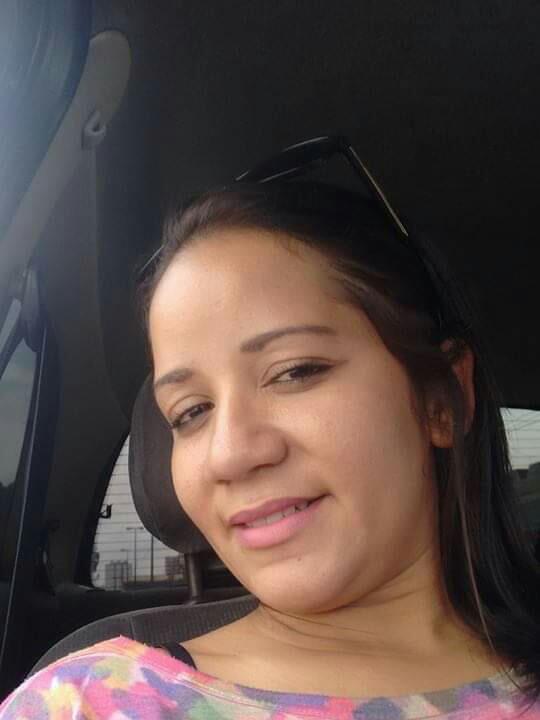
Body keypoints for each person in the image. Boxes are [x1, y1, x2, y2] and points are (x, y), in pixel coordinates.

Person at [1, 137, 539, 718]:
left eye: (295, 371)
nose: (231, 453)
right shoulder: (90, 703)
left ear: (442, 400)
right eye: (190, 412)